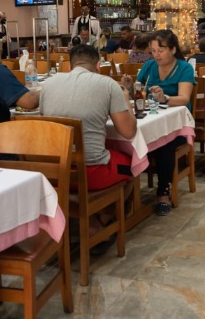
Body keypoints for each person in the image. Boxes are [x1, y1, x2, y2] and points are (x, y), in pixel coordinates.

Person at [40, 44, 137, 248]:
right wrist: (126, 98)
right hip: (91, 173)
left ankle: (88, 218)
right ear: (98, 66)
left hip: (55, 173)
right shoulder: (107, 84)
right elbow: (128, 131)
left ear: (69, 66)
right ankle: (101, 220)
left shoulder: (48, 84)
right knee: (134, 164)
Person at [121, 30, 194, 217]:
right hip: (152, 117)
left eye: (161, 50)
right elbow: (139, 93)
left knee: (165, 143)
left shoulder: (184, 68)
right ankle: (126, 194)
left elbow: (184, 98)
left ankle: (163, 192)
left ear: (173, 49)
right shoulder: (149, 66)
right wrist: (130, 87)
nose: (156, 55)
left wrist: (165, 98)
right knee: (127, 139)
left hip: (177, 125)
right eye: (153, 51)